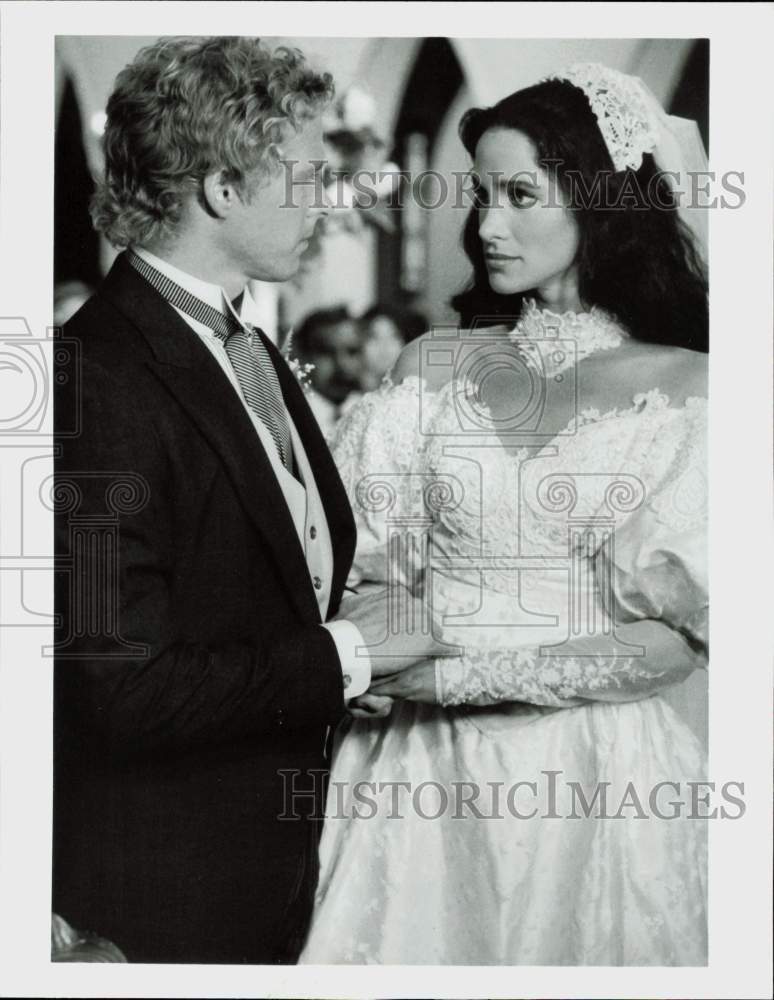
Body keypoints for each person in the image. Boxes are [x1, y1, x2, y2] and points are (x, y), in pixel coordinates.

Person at [300, 64, 709, 965]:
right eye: (481, 193)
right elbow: (357, 563)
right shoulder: (432, 366)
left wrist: (452, 682)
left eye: (520, 193)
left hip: (595, 777)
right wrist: (370, 650)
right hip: (415, 773)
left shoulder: (692, 387)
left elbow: (679, 643)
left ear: (603, 201)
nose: (486, 224)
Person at [53, 36, 445, 965]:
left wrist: (347, 665)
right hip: (164, 898)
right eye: (308, 178)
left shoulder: (248, 347)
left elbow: (259, 582)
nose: (328, 202)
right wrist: (345, 654)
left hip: (274, 867)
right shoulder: (94, 377)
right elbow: (123, 686)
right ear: (224, 191)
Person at [289, 306, 364, 439]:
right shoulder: (290, 420)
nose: (342, 364)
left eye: (352, 351)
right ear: (302, 356)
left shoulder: (370, 412)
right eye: (326, 353)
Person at [358, 303, 428, 391]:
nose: (384, 347)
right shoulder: (349, 398)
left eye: (393, 336)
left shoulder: (421, 395)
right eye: (374, 337)